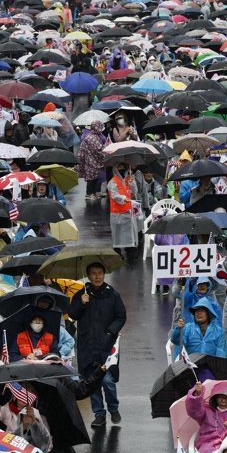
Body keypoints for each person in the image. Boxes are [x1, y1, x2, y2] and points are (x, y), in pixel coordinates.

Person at [68, 261, 127, 428]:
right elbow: (72, 314)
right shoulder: (81, 293)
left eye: (100, 273)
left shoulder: (112, 294)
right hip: (87, 345)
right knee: (91, 381)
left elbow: (121, 316)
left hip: (107, 346)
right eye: (93, 273)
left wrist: (110, 332)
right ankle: (99, 414)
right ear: (88, 276)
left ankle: (113, 408)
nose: (97, 276)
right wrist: (81, 303)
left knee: (107, 381)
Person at [184, 381, 227, 453]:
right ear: (215, 398)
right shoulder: (206, 410)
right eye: (220, 397)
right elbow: (194, 410)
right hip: (208, 445)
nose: (223, 400)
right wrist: (197, 394)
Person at [106, 164, 139, 260]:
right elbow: (114, 195)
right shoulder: (113, 182)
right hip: (117, 213)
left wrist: (132, 181)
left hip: (128, 211)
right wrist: (124, 199)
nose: (122, 169)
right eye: (120, 167)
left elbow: (134, 192)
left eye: (124, 167)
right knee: (118, 235)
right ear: (115, 169)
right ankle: (117, 253)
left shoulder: (127, 180)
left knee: (129, 234)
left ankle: (130, 250)